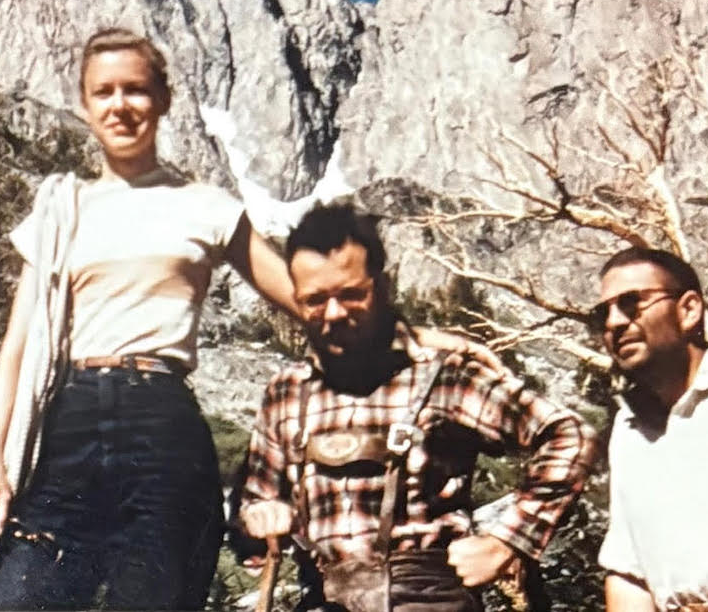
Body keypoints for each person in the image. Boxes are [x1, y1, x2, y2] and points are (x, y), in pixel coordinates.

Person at [0, 28, 487, 611]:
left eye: (136, 90)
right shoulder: (60, 207)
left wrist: (411, 337)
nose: (120, 106)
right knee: (22, 597)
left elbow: (303, 297)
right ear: (84, 104)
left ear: (163, 100)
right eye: (104, 92)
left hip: (158, 422)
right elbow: (14, 351)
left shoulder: (204, 205)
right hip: (68, 420)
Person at [241, 203, 596, 612]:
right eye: (314, 301)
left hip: (428, 598)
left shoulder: (444, 376)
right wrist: (261, 514)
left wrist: (507, 542)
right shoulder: (286, 394)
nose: (334, 314)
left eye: (351, 295)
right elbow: (257, 506)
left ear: (382, 286)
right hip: (324, 597)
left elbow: (569, 434)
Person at [594, 246, 708, 612]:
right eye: (603, 313)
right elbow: (629, 569)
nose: (614, 322)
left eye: (631, 303)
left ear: (689, 309)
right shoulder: (629, 430)